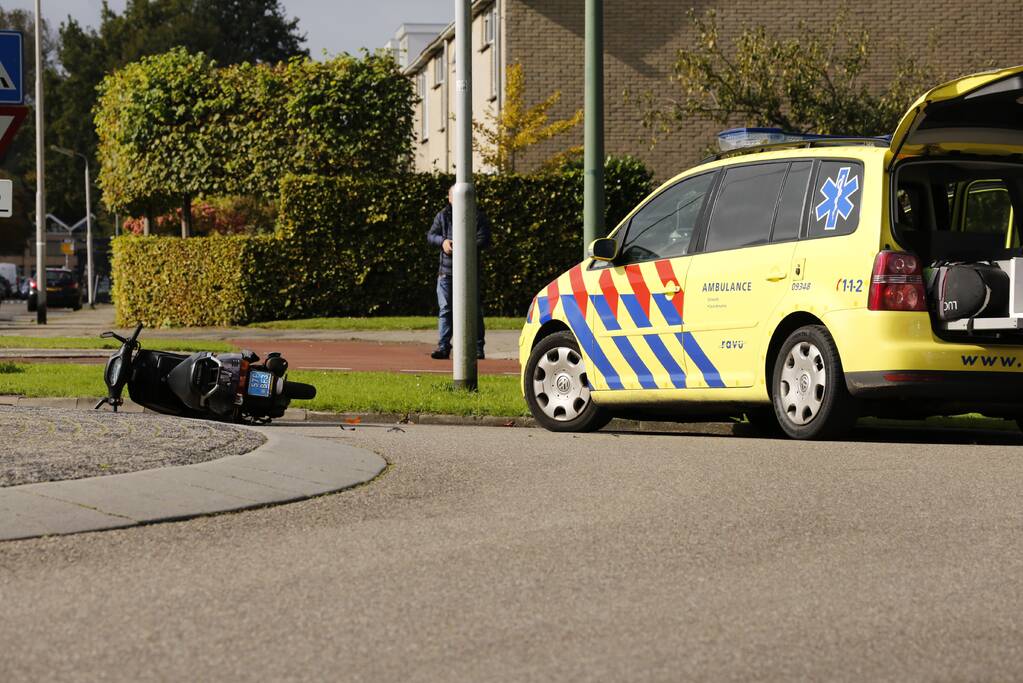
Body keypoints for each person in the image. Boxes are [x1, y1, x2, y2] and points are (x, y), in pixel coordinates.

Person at [426, 187, 492, 359]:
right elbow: (431, 235)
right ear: (449, 198)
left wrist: (465, 246)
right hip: (446, 272)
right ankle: (443, 347)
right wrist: (443, 242)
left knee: (474, 309)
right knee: (446, 309)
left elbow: (484, 238)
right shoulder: (443, 216)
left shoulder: (477, 216)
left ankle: (477, 348)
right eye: (454, 196)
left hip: (469, 271)